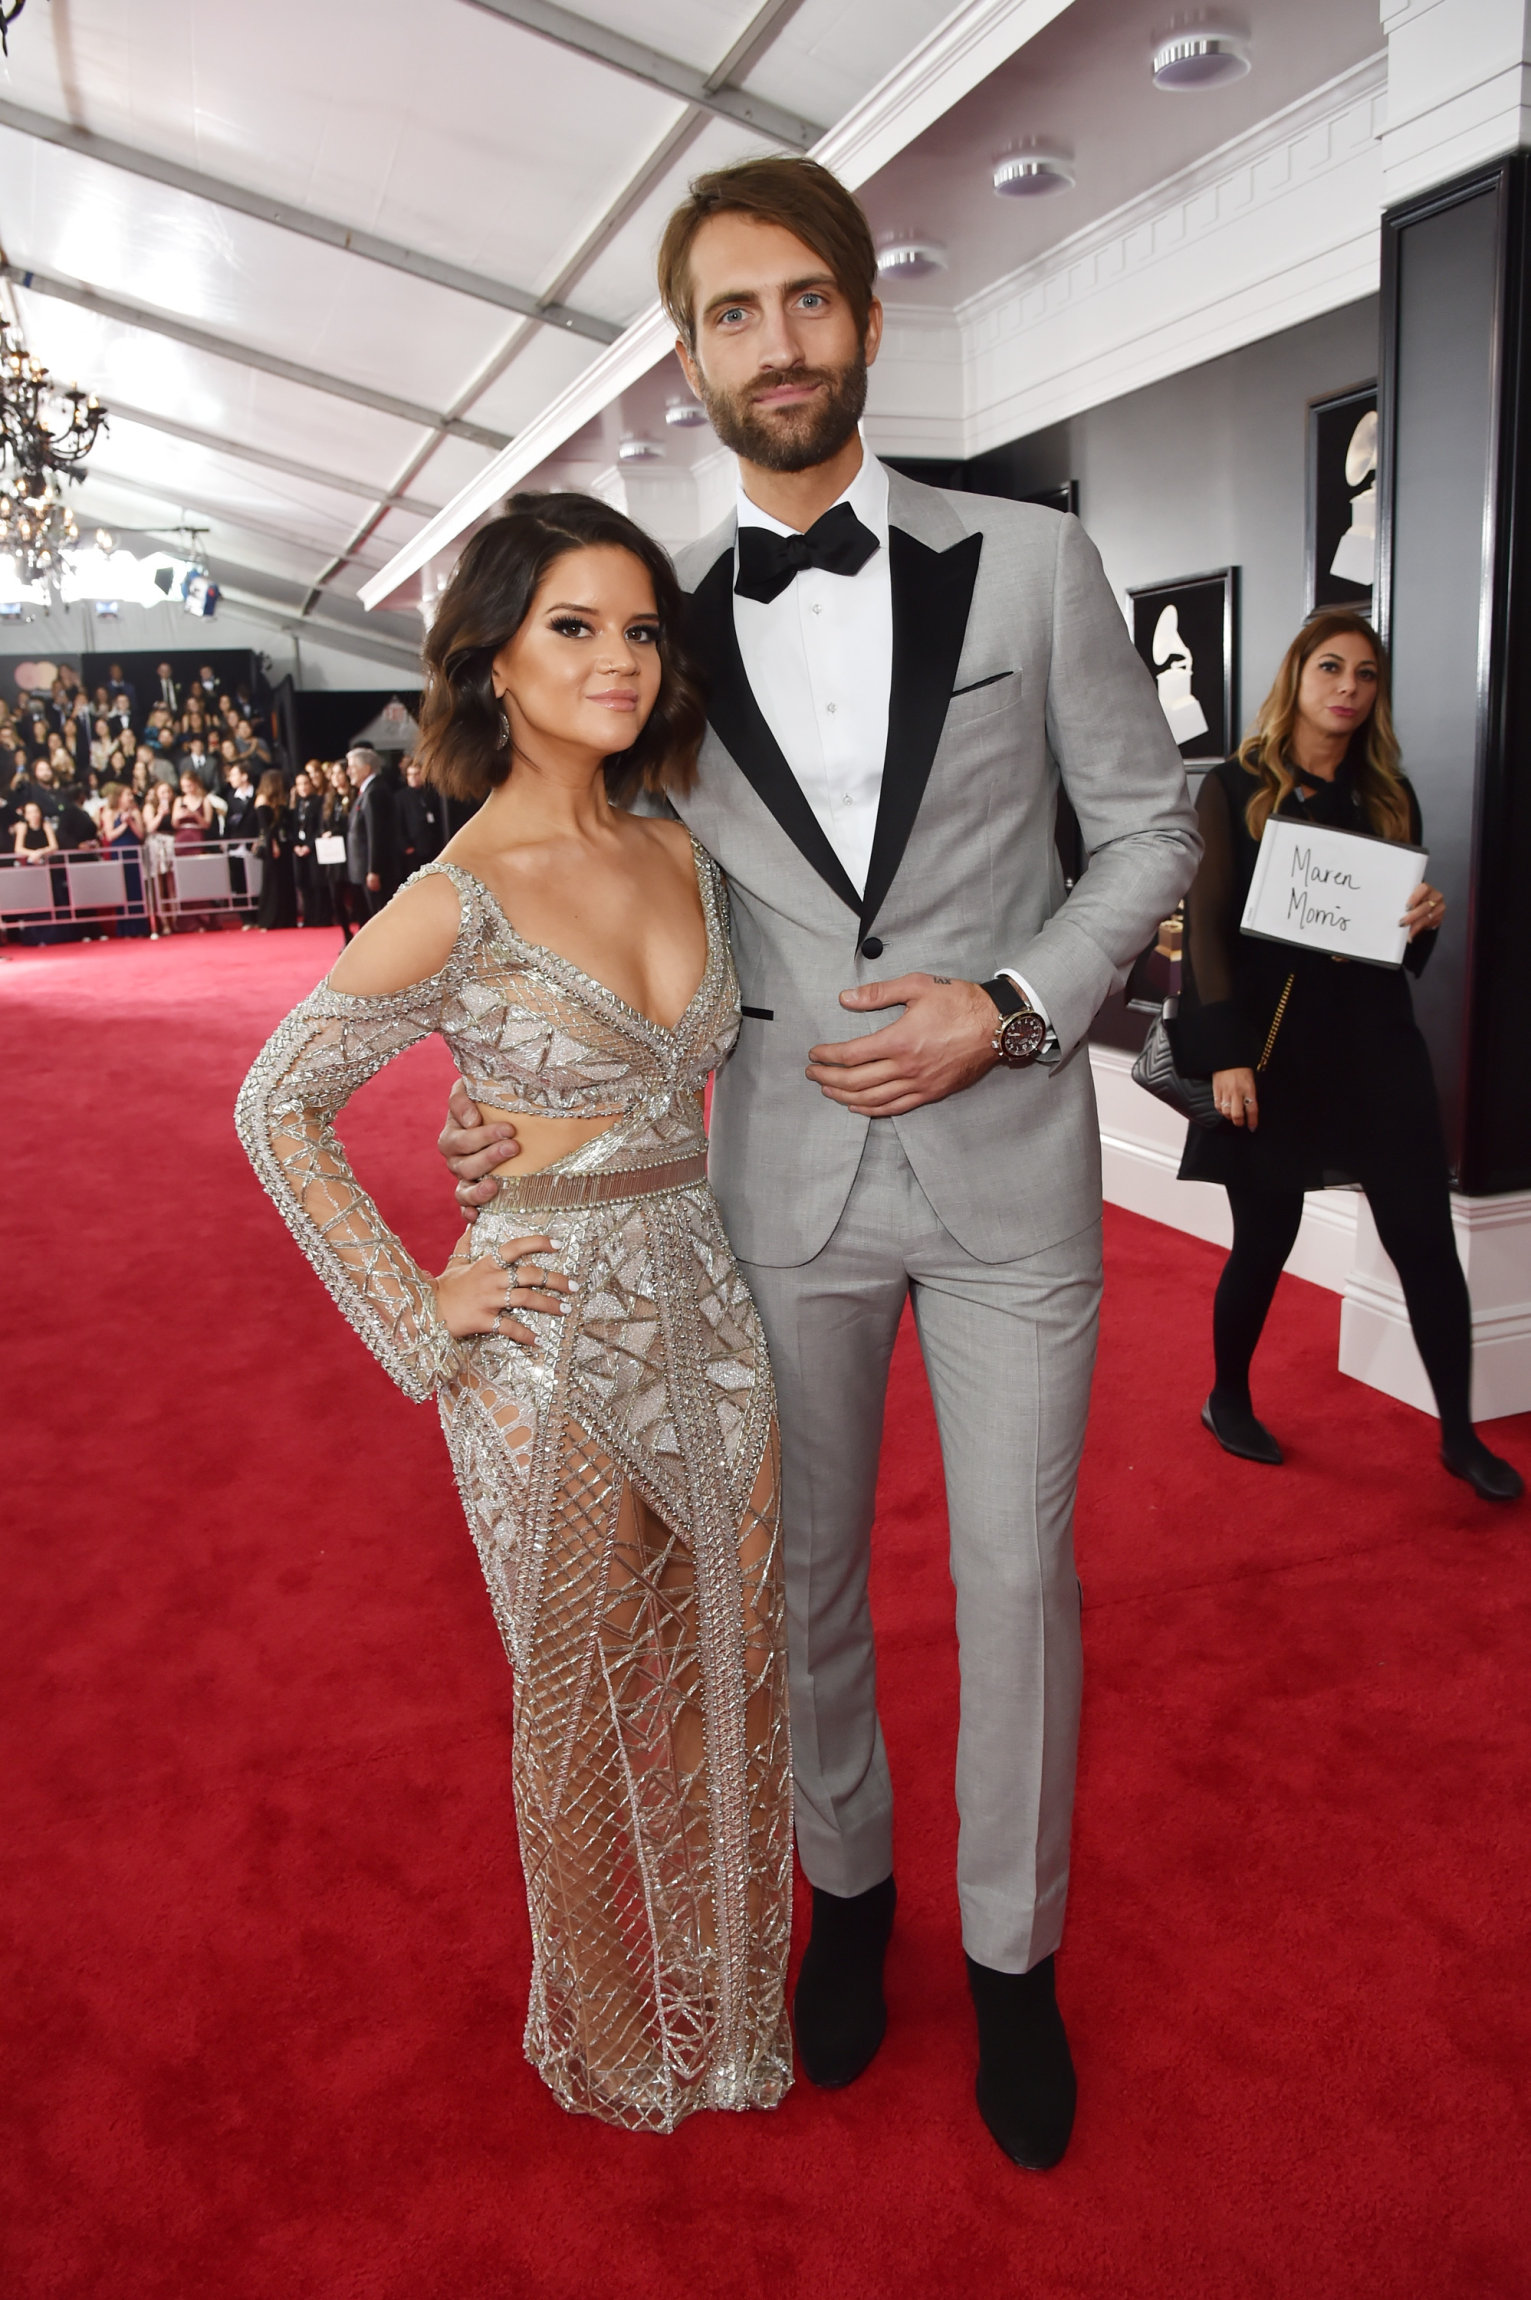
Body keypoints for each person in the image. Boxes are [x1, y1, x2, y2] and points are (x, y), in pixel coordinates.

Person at [438, 156, 1199, 2170]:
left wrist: (1017, 1004)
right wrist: (526, 1090)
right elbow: (582, 887)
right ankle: (846, 1900)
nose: (773, 344)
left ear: (866, 313)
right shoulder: (651, 632)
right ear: (688, 361)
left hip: (1017, 1163)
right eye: (729, 314)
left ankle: (1017, 1959)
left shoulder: (1034, 561)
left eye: (804, 301)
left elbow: (1145, 830)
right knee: (805, 1588)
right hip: (772, 1193)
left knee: (1023, 1575)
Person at [236, 493, 791, 2131]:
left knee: (732, 1674)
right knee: (569, 1701)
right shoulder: (462, 890)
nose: (617, 659)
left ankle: (738, 2021)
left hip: (708, 1299)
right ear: (489, 654)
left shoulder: (684, 841)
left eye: (637, 629)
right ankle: (615, 2041)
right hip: (538, 1341)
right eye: (573, 627)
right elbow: (277, 1107)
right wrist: (422, 1307)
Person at [1174, 611, 1521, 1503]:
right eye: (1330, 667)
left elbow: (1394, 954)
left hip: (1376, 1047)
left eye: (1365, 675)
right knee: (1265, 1238)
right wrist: (1225, 1055)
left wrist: (1422, 922)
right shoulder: (1236, 785)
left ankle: (1456, 1436)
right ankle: (1225, 1398)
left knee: (1424, 1242)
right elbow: (1206, 930)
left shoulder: (1387, 794)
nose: (1347, 688)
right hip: (1273, 1048)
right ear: (1296, 675)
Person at [344, 744, 394, 916]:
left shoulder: (374, 793)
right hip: (366, 869)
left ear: (366, 768)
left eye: (352, 767)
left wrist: (374, 870)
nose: (348, 772)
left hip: (374, 871)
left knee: (380, 914)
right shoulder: (368, 792)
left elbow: (375, 834)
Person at [99, 779, 150, 938]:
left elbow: (141, 834)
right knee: (123, 889)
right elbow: (110, 835)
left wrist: (131, 823)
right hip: (118, 852)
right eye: (127, 794)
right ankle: (125, 928)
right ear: (119, 796)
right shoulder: (109, 812)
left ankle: (140, 927)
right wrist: (123, 824)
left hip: (133, 852)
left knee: (136, 889)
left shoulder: (135, 812)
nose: (130, 797)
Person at [252, 767, 296, 930]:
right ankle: (269, 918)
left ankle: (286, 918)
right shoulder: (262, 800)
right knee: (272, 882)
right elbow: (265, 828)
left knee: (285, 881)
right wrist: (273, 844)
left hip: (283, 843)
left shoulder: (279, 800)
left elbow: (286, 821)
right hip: (272, 845)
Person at [290, 766, 331, 927]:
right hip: (299, 849)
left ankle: (322, 917)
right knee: (303, 883)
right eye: (299, 784)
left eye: (306, 783)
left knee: (317, 883)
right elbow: (293, 827)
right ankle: (308, 917)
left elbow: (319, 827)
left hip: (314, 849)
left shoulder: (319, 801)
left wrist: (308, 846)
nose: (303, 787)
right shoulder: (297, 804)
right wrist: (296, 846)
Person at [396, 753, 444, 871]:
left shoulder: (432, 794)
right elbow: (397, 823)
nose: (413, 777)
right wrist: (406, 846)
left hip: (433, 847)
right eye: (410, 774)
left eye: (416, 774)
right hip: (413, 849)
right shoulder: (400, 797)